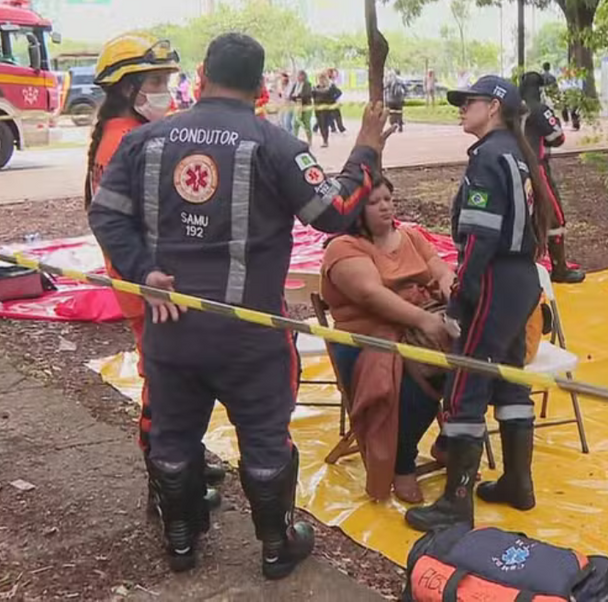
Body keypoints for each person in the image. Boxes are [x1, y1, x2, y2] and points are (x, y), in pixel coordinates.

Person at [88, 32, 392, 578]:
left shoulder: (145, 141)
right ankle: (277, 546)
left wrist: (142, 271)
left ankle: (181, 541)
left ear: (200, 75)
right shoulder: (275, 144)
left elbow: (105, 214)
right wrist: (367, 149)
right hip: (250, 334)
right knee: (265, 436)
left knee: (173, 433)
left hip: (171, 327)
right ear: (259, 84)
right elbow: (336, 211)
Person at [84, 32, 226, 511]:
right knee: (162, 383)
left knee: (166, 376)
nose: (167, 90)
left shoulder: (115, 135)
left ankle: (181, 464)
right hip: (149, 283)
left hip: (139, 278)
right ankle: (165, 486)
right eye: (158, 81)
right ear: (129, 88)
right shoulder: (129, 141)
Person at [405, 76, 552, 532]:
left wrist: (463, 290)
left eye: (468, 102)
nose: (461, 109)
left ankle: (456, 501)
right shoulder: (517, 152)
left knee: (467, 383)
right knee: (510, 380)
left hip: (493, 279)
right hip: (522, 279)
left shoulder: (488, 157)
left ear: (493, 107)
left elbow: (481, 234)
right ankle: (517, 482)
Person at [320, 178, 457, 503]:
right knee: (421, 370)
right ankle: (403, 462)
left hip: (421, 324)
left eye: (388, 198)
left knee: (476, 355)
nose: (385, 206)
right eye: (374, 201)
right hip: (368, 338)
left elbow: (440, 269)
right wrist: (424, 320)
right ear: (354, 209)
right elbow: (370, 295)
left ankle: (450, 441)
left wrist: (451, 287)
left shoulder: (409, 235)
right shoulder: (343, 247)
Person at [521, 71, 585, 283]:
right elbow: (558, 137)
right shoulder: (540, 109)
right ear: (540, 90)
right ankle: (559, 269)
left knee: (525, 215)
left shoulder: (511, 108)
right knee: (554, 216)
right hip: (537, 167)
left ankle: (524, 266)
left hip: (514, 166)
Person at [312, 73, 342, 149]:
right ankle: (324, 139)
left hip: (327, 110)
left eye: (323, 79)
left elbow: (339, 93)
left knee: (325, 124)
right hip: (318, 109)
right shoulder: (316, 87)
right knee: (321, 125)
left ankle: (325, 141)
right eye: (320, 79)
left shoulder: (330, 87)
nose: (321, 80)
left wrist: (333, 100)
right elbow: (312, 96)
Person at [289, 70, 314, 144]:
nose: (299, 77)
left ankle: (309, 140)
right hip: (297, 106)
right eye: (298, 75)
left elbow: (307, 95)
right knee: (295, 123)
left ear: (304, 76)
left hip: (306, 106)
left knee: (306, 124)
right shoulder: (295, 85)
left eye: (300, 75)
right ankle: (294, 140)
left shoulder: (307, 84)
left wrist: (297, 96)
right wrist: (295, 97)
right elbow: (291, 96)